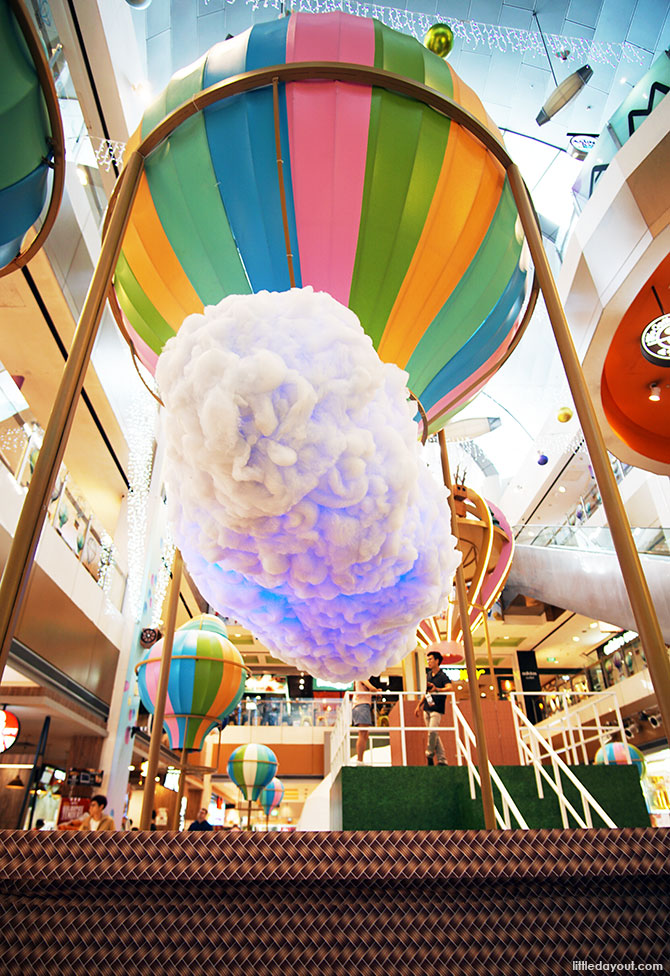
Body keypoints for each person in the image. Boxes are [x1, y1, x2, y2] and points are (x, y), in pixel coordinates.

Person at [415, 651, 450, 765]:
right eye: (428, 659)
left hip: (437, 708)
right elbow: (426, 692)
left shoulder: (443, 675)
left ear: (437, 661)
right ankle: (442, 760)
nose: (428, 662)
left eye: (430, 659)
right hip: (427, 707)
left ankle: (429, 754)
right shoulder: (428, 674)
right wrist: (419, 705)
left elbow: (450, 688)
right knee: (434, 734)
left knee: (432, 731)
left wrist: (438, 689)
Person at [352, 678, 378, 764]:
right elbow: (372, 688)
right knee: (363, 734)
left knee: (365, 734)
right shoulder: (362, 676)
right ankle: (359, 760)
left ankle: (360, 759)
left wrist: (375, 690)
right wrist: (376, 690)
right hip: (361, 706)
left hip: (362, 706)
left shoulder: (361, 678)